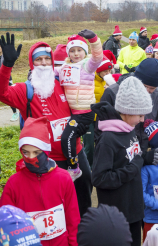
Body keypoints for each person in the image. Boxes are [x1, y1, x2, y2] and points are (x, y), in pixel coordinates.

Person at [0, 33, 92, 218]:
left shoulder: (62, 82)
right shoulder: (25, 90)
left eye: (48, 59)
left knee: (83, 192)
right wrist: (7, 65)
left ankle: (85, 233)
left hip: (75, 152)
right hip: (47, 159)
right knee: (58, 204)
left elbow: (81, 100)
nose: (45, 63)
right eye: (39, 59)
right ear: (32, 64)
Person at [0, 117, 82, 246]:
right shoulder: (14, 184)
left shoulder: (63, 179)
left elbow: (73, 222)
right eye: (26, 152)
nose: (31, 158)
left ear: (46, 151)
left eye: (37, 152)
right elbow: (5, 228)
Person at [91, 77, 153, 246]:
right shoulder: (108, 139)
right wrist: (133, 168)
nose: (142, 120)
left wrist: (145, 158)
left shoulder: (129, 130)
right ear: (126, 111)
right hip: (117, 214)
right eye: (140, 115)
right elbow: (99, 178)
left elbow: (135, 157)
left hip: (133, 208)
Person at [55, 30, 103, 181]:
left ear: (85, 52)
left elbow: (97, 56)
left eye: (79, 50)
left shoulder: (87, 66)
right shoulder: (65, 67)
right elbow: (51, 70)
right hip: (73, 113)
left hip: (85, 112)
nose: (76, 54)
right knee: (70, 138)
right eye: (72, 51)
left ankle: (74, 168)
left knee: (67, 138)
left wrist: (93, 39)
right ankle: (75, 166)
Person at [99, 58, 158, 165]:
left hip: (143, 151)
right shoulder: (112, 93)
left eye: (152, 89)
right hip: (119, 155)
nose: (147, 92)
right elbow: (101, 132)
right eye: (144, 87)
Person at [0, 41, 18, 123]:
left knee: (8, 97)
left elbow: (8, 69)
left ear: (2, 48)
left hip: (6, 79)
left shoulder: (6, 57)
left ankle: (15, 113)